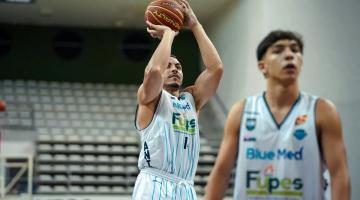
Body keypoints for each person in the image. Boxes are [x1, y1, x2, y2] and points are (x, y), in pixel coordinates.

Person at [205, 30, 351, 200]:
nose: (289, 55)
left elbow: (339, 173)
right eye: (278, 50)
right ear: (262, 66)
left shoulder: (322, 110)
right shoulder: (241, 110)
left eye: (295, 50)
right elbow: (222, 172)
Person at [132, 0, 223, 199]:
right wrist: (168, 34)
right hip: (154, 183)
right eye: (170, 65)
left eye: (179, 67)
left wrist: (195, 25)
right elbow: (154, 70)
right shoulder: (149, 98)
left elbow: (216, 69)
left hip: (186, 187)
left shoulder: (192, 100)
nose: (174, 68)